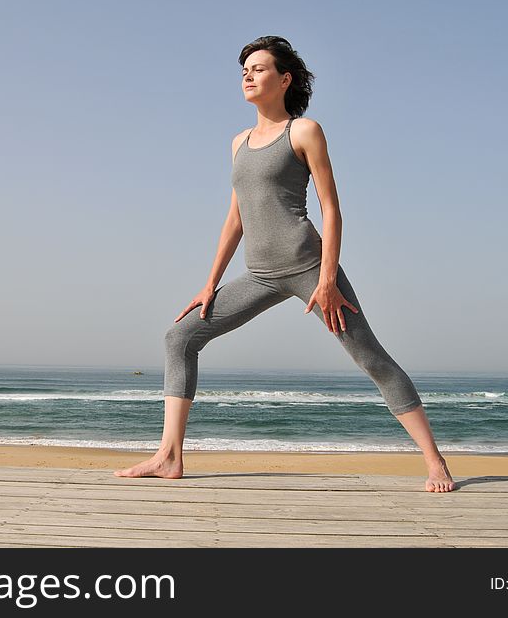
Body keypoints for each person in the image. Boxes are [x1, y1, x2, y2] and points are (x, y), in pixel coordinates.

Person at [115, 36, 455, 492]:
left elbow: (331, 207)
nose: (248, 76)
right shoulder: (238, 142)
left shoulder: (304, 131)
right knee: (180, 336)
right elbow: (236, 218)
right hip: (258, 273)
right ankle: (169, 456)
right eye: (244, 71)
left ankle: (436, 463)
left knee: (371, 357)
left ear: (284, 78)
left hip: (308, 267)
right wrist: (209, 283)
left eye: (258, 68)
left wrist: (328, 278)